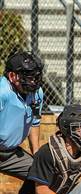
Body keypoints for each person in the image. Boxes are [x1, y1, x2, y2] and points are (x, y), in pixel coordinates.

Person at [0, 51, 44, 180]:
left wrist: (36, 152)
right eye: (28, 77)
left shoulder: (37, 93)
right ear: (12, 76)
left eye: (35, 77)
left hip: (11, 153)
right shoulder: (2, 92)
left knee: (43, 178)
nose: (32, 82)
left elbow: (35, 122)